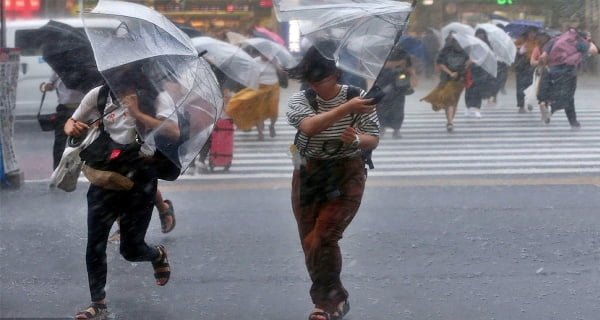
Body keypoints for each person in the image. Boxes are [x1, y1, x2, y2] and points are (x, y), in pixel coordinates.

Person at [65, 63, 176, 319]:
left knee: (131, 249)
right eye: (113, 72)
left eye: (125, 72)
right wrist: (72, 127)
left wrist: (137, 113)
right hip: (106, 173)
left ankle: (156, 254)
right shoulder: (100, 95)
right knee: (95, 242)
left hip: (140, 177)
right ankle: (98, 303)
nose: (118, 77)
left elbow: (172, 130)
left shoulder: (157, 97)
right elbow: (73, 122)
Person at [286, 44, 379, 320]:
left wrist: (357, 139)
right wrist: (346, 109)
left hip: (346, 172)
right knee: (309, 242)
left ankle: (324, 304)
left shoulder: (357, 97)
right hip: (308, 171)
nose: (317, 87)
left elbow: (373, 137)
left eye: (322, 81)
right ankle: (334, 297)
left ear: (335, 75)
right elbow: (309, 127)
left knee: (323, 237)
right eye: (312, 82)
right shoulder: (301, 100)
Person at [538, 21, 598, 128]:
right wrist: (590, 42)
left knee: (567, 97)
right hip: (568, 71)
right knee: (567, 96)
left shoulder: (556, 39)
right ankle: (551, 108)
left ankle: (573, 122)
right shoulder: (579, 41)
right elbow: (594, 51)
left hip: (553, 70)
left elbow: (543, 56)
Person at [421, 33, 469, 132]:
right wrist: (451, 73)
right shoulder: (447, 51)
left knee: (453, 101)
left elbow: (465, 65)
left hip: (459, 80)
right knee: (450, 101)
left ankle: (450, 120)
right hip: (449, 80)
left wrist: (468, 63)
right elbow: (441, 64)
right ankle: (450, 122)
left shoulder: (464, 52)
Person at [40, 72, 86, 169]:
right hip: (71, 110)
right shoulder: (61, 69)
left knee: (71, 142)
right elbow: (49, 85)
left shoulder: (61, 67)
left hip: (78, 110)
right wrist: (46, 86)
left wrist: (46, 87)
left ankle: (61, 169)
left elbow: (49, 86)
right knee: (65, 141)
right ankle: (58, 169)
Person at [376, 46, 418, 138]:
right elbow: (383, 64)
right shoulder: (383, 51)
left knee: (398, 108)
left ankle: (396, 129)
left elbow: (409, 67)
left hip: (399, 84)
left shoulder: (403, 52)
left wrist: (413, 76)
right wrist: (399, 63)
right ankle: (382, 128)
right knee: (382, 106)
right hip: (384, 82)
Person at [464, 29, 496, 118]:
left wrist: (474, 61)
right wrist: (468, 62)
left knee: (478, 90)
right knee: (469, 90)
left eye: (482, 35)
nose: (480, 37)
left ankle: (477, 109)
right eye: (478, 35)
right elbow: (466, 56)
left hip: (482, 71)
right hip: (470, 71)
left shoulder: (487, 47)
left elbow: (488, 59)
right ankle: (467, 107)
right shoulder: (471, 45)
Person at [514, 27, 538, 113]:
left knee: (532, 86)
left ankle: (529, 103)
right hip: (522, 66)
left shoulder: (537, 42)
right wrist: (519, 51)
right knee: (520, 86)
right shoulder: (521, 40)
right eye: (530, 32)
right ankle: (521, 105)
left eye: (534, 33)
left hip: (533, 66)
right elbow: (513, 49)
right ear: (527, 33)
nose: (532, 34)